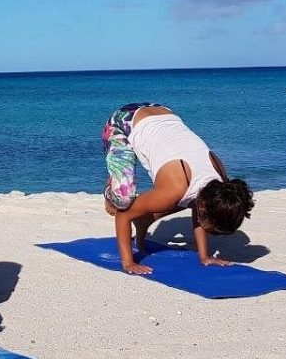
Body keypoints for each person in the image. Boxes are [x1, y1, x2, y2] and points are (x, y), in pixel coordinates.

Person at [102, 103, 255, 274]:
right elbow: (123, 216)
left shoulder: (220, 184)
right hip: (123, 122)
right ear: (204, 208)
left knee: (185, 199)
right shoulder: (173, 189)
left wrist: (204, 257)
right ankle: (111, 189)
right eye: (211, 230)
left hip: (161, 112)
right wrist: (129, 263)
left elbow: (199, 207)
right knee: (123, 202)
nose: (210, 233)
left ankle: (143, 219)